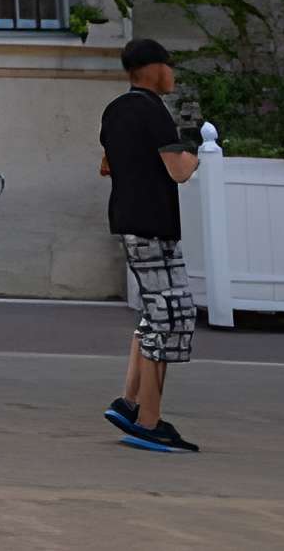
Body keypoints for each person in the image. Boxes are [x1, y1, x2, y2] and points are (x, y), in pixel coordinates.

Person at [99, 37, 203, 452]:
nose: (172, 73)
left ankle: (129, 402)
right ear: (154, 68)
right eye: (169, 65)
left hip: (128, 221)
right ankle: (149, 420)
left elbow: (106, 164)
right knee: (171, 317)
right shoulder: (153, 109)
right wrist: (194, 151)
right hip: (154, 225)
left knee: (155, 312)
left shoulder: (114, 110)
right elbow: (179, 171)